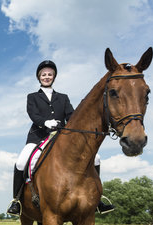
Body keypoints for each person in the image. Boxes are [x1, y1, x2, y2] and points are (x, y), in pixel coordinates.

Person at [7, 61, 114, 215]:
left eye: (50, 74)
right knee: (21, 161)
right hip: (38, 136)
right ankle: (16, 200)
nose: (46, 77)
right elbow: (33, 114)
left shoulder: (63, 98)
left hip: (61, 137)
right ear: (39, 77)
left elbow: (72, 116)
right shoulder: (32, 97)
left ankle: (96, 199)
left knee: (95, 157)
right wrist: (45, 122)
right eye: (43, 74)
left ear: (54, 77)